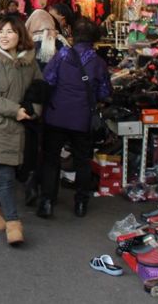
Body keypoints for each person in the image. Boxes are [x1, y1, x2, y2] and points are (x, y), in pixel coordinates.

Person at [38, 19, 112, 219]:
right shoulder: (98, 63)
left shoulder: (61, 56)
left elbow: (48, 79)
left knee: (51, 159)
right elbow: (105, 91)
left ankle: (46, 201)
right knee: (82, 161)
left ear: (73, 35)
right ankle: (80, 204)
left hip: (56, 115)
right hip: (82, 118)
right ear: (95, 39)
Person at [0, 15, 41, 246]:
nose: (4, 36)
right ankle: (13, 223)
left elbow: (39, 89)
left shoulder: (30, 62)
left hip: (21, 126)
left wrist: (34, 110)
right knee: (5, 175)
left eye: (10, 32)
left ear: (20, 36)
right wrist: (14, 110)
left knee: (8, 172)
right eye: (1, 31)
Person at [20, 7, 72, 206]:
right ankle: (48, 197)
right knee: (51, 151)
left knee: (31, 144)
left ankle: (30, 180)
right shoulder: (63, 44)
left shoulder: (26, 43)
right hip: (56, 105)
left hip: (32, 104)